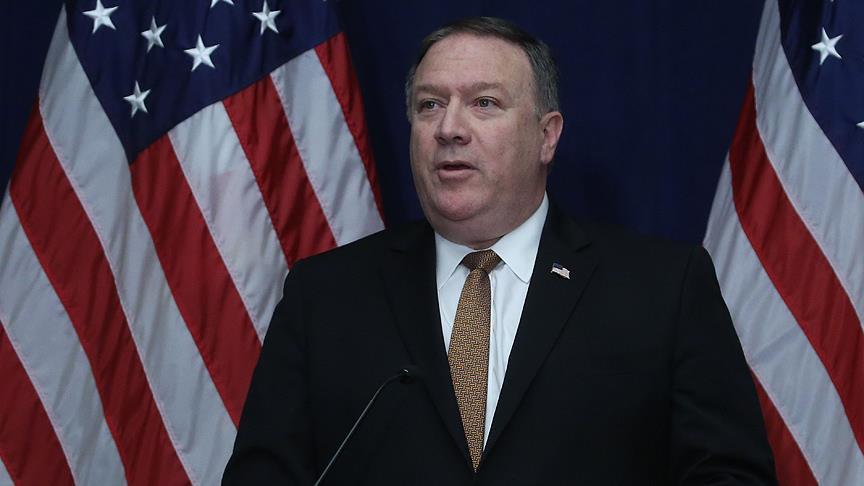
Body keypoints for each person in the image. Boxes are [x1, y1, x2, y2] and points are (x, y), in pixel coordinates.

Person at [223, 16, 776, 485]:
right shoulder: (325, 295)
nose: (450, 128)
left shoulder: (662, 287)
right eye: (429, 104)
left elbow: (729, 474)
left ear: (547, 135)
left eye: (484, 103)